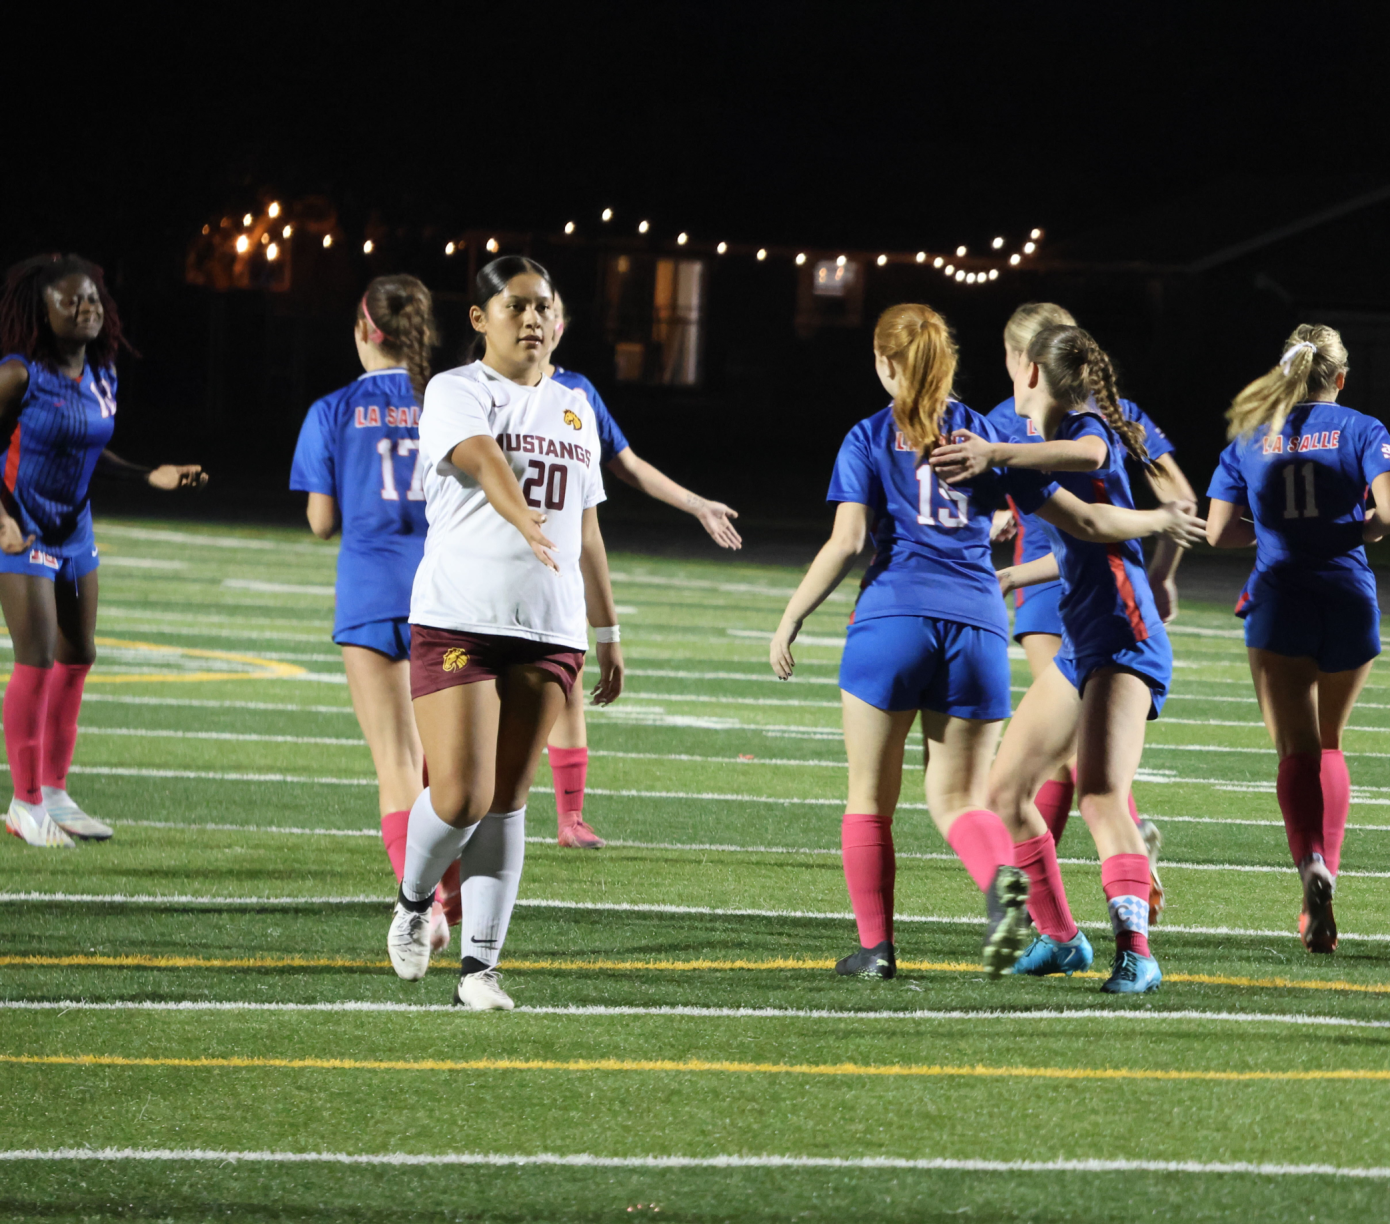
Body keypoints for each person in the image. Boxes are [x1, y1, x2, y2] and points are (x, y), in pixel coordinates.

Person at [770, 305, 1200, 980]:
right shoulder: (993, 431)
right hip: (996, 626)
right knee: (983, 795)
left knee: (878, 801)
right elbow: (1084, 519)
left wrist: (791, 618)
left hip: (931, 620)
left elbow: (848, 539)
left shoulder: (891, 434)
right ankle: (1040, 918)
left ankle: (881, 950)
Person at [386, 255, 623, 1010]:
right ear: (479, 319)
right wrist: (519, 511)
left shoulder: (577, 405)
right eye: (516, 305)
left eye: (543, 307)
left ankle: (481, 970)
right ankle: (414, 900)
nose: (532, 319)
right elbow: (482, 457)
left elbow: (586, 526)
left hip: (549, 626)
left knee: (508, 799)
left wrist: (608, 628)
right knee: (459, 794)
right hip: (461, 615)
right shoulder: (456, 390)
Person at [937, 324, 1195, 994]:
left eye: (1012, 361)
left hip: (1123, 634)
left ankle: (1136, 953)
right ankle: (1061, 939)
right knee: (1003, 791)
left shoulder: (1088, 427)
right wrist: (1014, 576)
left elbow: (1092, 495)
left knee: (1101, 797)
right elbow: (1083, 535)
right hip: (1083, 638)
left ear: (1028, 372)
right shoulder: (1026, 452)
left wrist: (997, 449)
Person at [1205, 325, 1390, 953]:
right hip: (1348, 595)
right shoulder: (1364, 428)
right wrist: (1350, 533)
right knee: (1330, 741)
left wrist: (1273, 536)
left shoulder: (1250, 435)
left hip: (1280, 594)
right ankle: (1327, 878)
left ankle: (1309, 863)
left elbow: (1217, 533)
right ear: (1340, 377)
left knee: (1295, 747)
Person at [0, 254, 206, 847]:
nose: (87, 308)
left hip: (74, 529)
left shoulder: (103, 373)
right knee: (35, 659)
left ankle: (56, 792)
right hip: (23, 527)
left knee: (78, 654)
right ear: (42, 312)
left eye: (92, 298)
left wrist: (149, 475)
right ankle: (24, 803)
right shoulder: (19, 373)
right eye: (71, 301)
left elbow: (90, 452)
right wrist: (5, 521)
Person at [291, 274, 464, 950]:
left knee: (396, 763)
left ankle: (425, 911)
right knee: (442, 771)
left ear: (366, 331)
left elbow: (319, 522)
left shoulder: (331, 407)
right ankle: (448, 898)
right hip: (444, 596)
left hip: (368, 595)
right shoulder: (454, 403)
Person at [540, 291, 740, 848]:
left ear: (563, 322)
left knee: (568, 686)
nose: (543, 320)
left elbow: (625, 465)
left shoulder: (577, 392)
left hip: (555, 575)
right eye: (532, 307)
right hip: (490, 578)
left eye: (554, 309)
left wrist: (697, 504)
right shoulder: (479, 389)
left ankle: (570, 819)